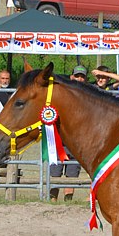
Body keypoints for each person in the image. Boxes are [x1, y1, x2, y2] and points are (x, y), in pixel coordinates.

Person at [49, 68, 86, 202]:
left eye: (82, 77)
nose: (79, 79)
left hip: (75, 142)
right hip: (59, 141)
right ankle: (52, 201)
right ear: (72, 77)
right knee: (55, 174)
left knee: (72, 175)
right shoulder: (62, 95)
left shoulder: (86, 98)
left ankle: (68, 201)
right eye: (77, 76)